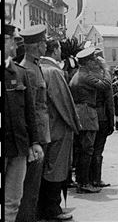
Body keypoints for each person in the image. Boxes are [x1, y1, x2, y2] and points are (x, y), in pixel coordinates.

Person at [38, 38, 80, 221]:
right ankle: (53, 208)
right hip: (58, 127)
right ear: (54, 50)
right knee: (57, 169)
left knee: (46, 168)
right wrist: (75, 125)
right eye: (59, 48)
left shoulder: (39, 68)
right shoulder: (54, 72)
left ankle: (46, 207)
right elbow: (64, 103)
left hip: (45, 128)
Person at [4, 24, 43, 222]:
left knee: (13, 202)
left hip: (18, 147)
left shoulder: (20, 73)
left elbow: (30, 112)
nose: (16, 43)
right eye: (13, 39)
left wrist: (34, 142)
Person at [16, 25, 50, 222]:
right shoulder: (27, 70)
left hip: (41, 132)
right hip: (36, 135)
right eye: (44, 42)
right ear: (37, 46)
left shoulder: (35, 66)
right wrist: (34, 140)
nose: (46, 45)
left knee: (35, 185)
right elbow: (30, 109)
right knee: (30, 187)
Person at [69, 47, 112, 193]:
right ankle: (84, 183)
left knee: (83, 150)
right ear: (87, 62)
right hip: (87, 113)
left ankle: (83, 181)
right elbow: (105, 85)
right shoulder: (85, 76)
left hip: (81, 113)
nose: (95, 61)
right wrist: (106, 68)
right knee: (87, 150)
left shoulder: (77, 74)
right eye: (93, 59)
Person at [89, 49, 114, 187]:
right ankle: (96, 179)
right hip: (101, 116)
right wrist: (111, 121)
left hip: (87, 115)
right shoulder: (105, 76)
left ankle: (87, 178)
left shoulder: (84, 74)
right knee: (98, 149)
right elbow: (109, 101)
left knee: (88, 148)